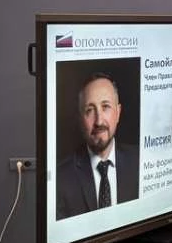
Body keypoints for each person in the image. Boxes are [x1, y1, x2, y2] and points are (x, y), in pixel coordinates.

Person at [55, 72, 139, 220]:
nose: (99, 121)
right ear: (80, 119)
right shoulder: (60, 179)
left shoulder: (140, 161)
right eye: (90, 110)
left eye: (105, 106)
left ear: (118, 113)